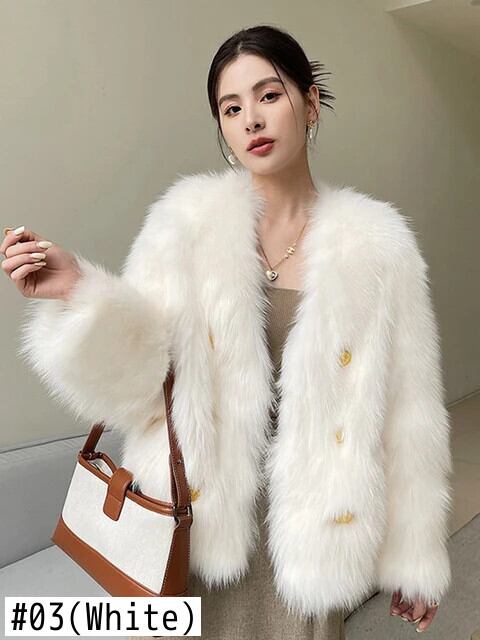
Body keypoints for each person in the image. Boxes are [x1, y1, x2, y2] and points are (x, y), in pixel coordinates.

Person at [1, 24, 452, 640]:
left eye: (269, 95)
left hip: (311, 537)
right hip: (193, 528)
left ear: (311, 102)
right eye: (231, 108)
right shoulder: (185, 224)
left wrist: (415, 556)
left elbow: (409, 411)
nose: (252, 120)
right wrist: (77, 289)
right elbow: (138, 385)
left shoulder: (379, 248)